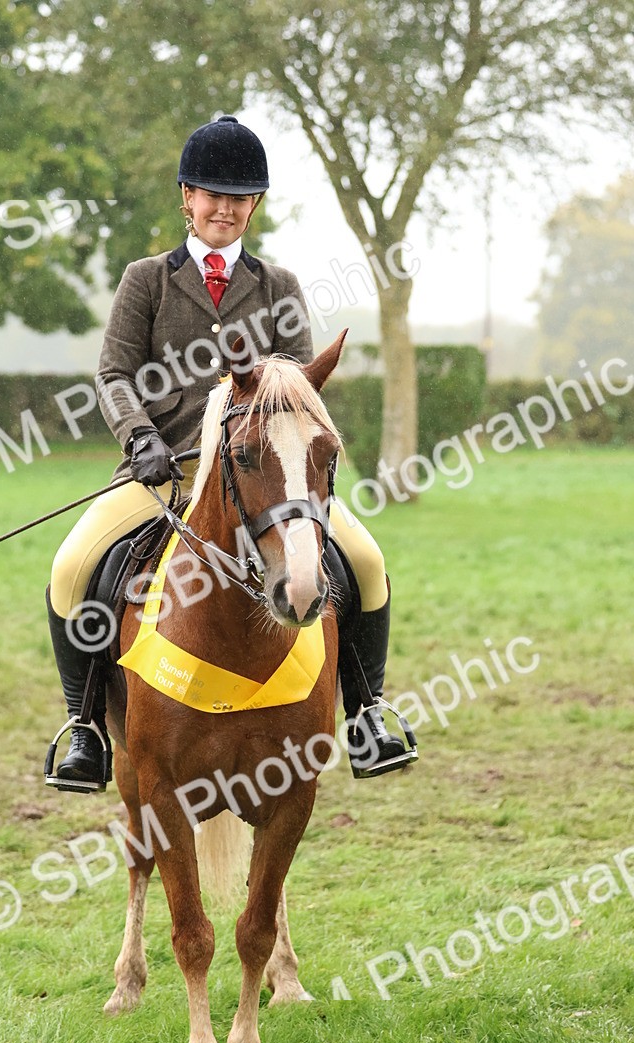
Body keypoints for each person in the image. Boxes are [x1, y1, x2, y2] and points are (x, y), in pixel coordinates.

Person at [45, 114, 413, 791]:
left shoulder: (279, 286)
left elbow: (302, 389)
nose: (224, 208)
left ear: (255, 206)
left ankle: (367, 716)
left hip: (265, 478)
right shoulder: (147, 280)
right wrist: (140, 437)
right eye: (211, 195)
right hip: (165, 471)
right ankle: (85, 731)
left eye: (238, 198)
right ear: (186, 197)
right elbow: (115, 374)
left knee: (364, 559)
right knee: (72, 570)